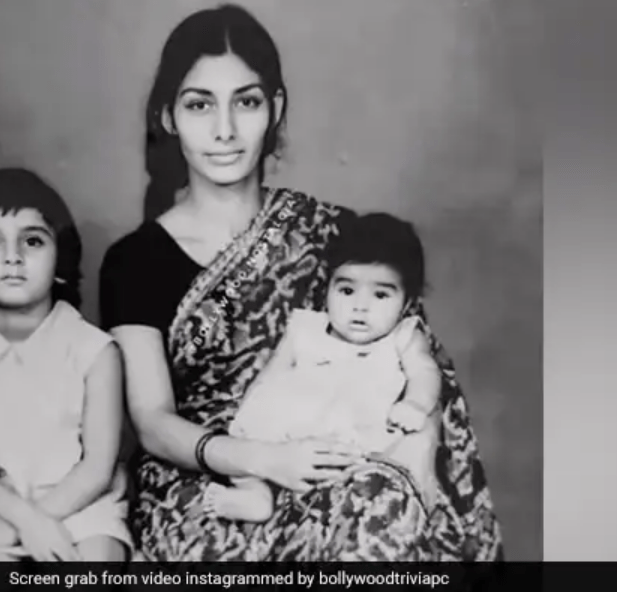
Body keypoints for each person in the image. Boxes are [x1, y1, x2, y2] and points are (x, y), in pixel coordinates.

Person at [99, 4, 503, 561]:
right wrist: (263, 459)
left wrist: (418, 444)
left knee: (380, 502)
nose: (224, 129)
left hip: (345, 456)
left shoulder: (339, 237)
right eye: (199, 105)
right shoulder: (134, 260)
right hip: (211, 486)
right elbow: (152, 423)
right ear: (168, 116)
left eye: (246, 101)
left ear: (275, 108)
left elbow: (417, 367)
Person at [0, 168, 131, 562]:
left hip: (82, 511)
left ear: (60, 261)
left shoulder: (96, 350)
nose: (12, 257)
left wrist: (37, 523)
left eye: (32, 241)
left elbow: (96, 469)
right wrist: (22, 521)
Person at [203, 212, 442, 523]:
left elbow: (425, 372)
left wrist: (415, 404)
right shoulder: (306, 328)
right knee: (251, 451)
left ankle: (339, 506)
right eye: (346, 290)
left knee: (384, 469)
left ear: (407, 303)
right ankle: (255, 497)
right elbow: (270, 375)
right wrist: (250, 415)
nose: (360, 306)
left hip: (355, 438)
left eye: (381, 294)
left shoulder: (404, 336)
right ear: (327, 288)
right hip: (289, 427)